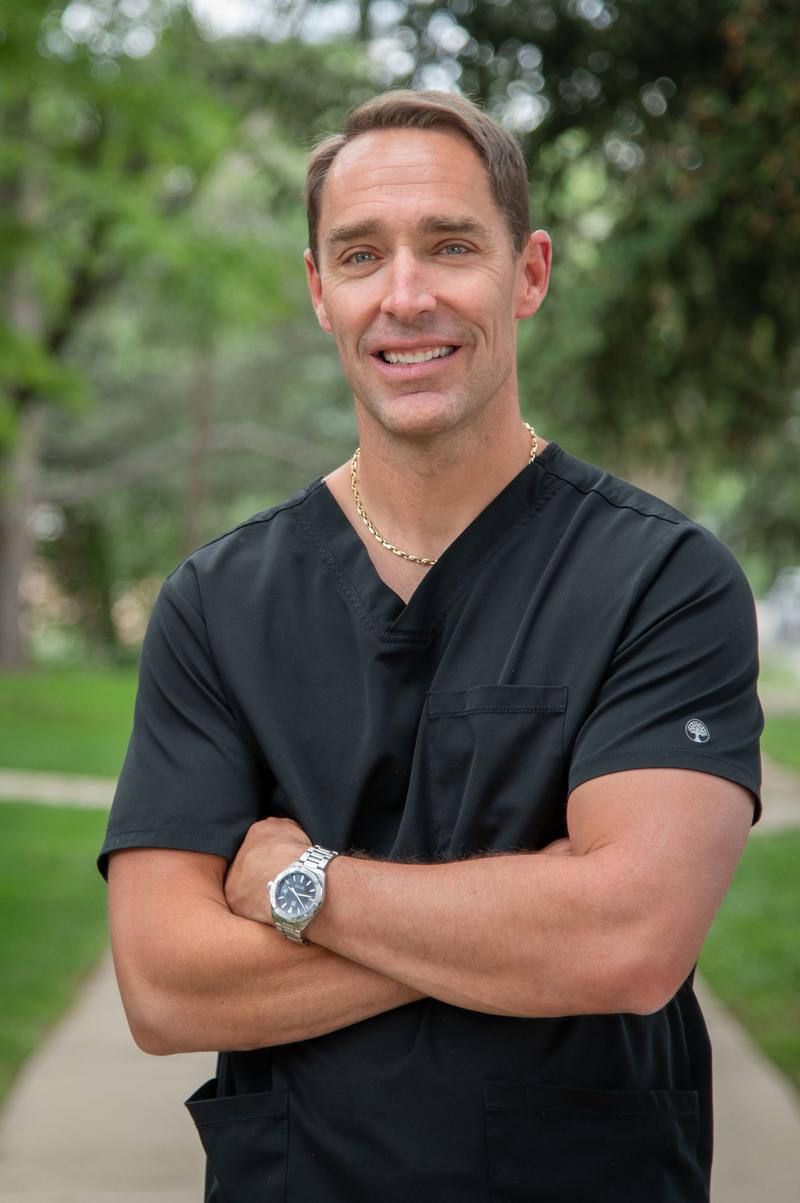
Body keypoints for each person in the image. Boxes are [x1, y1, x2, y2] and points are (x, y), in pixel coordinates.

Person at [100, 90, 762, 1203]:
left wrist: (296, 884)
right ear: (319, 290)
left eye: (450, 245)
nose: (405, 297)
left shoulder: (660, 580)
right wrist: (525, 921)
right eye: (360, 256)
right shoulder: (218, 604)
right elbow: (165, 988)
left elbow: (628, 944)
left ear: (529, 272)